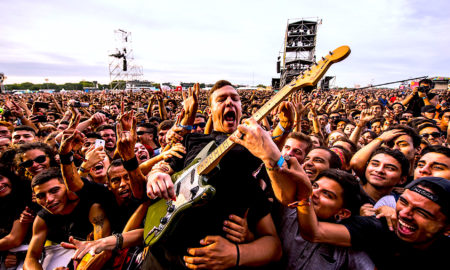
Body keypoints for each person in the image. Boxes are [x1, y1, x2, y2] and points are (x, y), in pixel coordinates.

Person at [146, 80, 281, 269]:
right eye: (221, 99)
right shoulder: (192, 140)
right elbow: (165, 166)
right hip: (160, 257)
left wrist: (237, 254)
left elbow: (274, 246)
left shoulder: (251, 158)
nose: (229, 102)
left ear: (242, 110)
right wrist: (155, 175)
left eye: (235, 98)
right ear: (210, 111)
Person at [295, 176, 450, 269]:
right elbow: (315, 232)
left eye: (422, 212)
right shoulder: (379, 226)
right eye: (403, 202)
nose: (404, 214)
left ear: (447, 228)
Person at [23, 168, 110, 270]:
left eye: (54, 191)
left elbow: (103, 251)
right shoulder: (43, 218)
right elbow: (31, 259)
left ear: (67, 188)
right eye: (41, 196)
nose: (49, 199)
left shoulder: (93, 208)